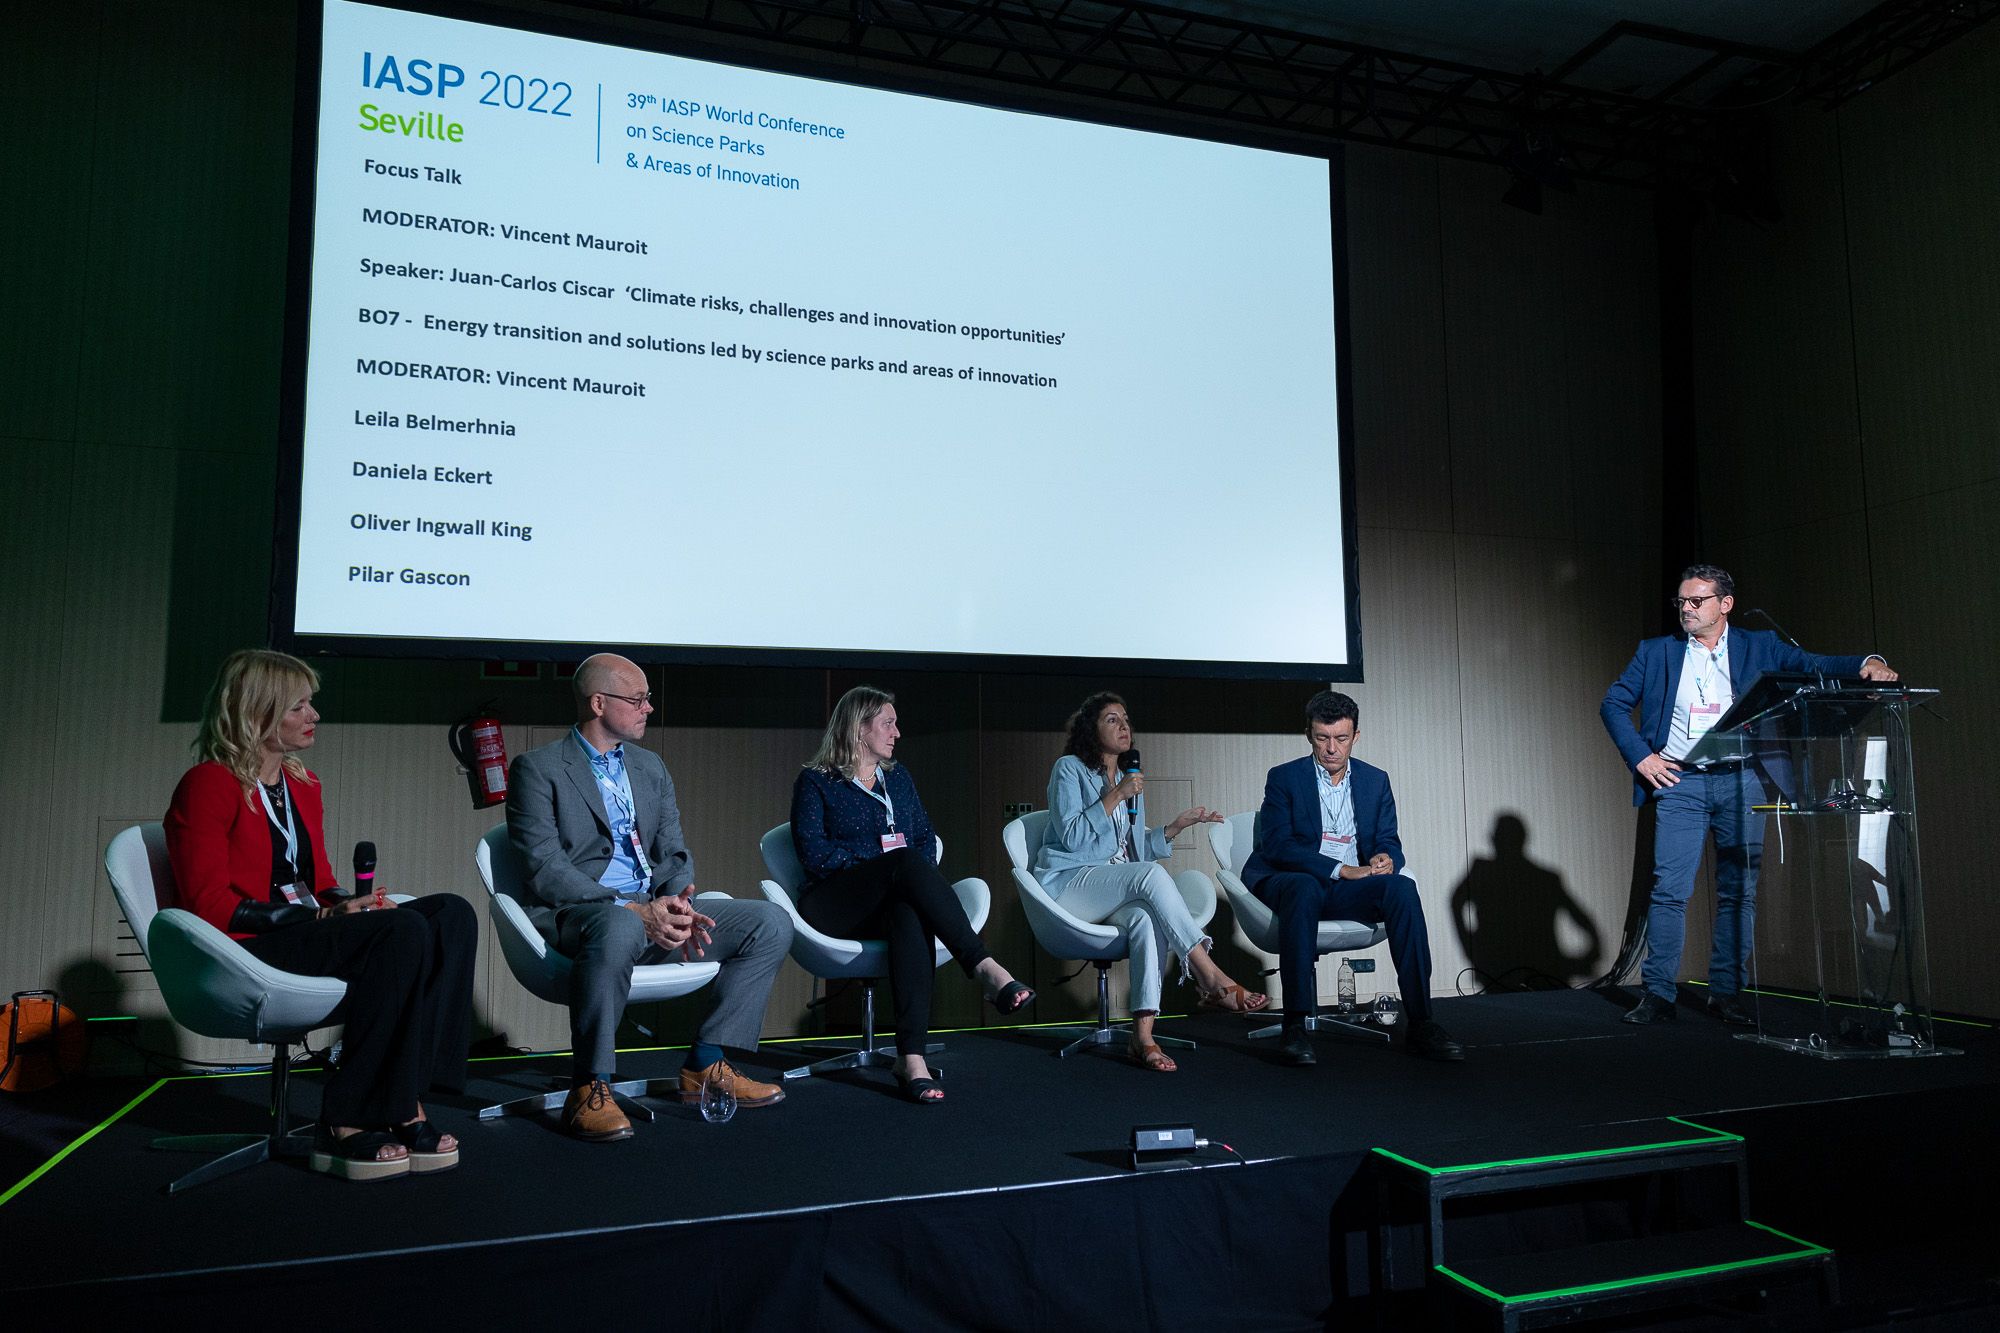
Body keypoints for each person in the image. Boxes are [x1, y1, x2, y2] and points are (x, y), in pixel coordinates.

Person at [164, 649, 476, 1180]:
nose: (314, 716)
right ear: (256, 712)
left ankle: (406, 1097)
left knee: (451, 914)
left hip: (306, 927)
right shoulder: (209, 784)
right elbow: (208, 905)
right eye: (299, 706)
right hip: (246, 944)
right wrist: (320, 920)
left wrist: (344, 904)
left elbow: (318, 880)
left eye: (312, 704)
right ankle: (347, 1116)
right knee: (402, 927)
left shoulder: (301, 785)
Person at [506, 653, 793, 1141]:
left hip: (651, 908)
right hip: (579, 913)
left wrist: (675, 902)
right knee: (619, 924)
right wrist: (632, 911)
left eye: (648, 699)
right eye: (637, 699)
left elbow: (673, 849)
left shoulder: (649, 767)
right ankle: (590, 1086)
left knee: (770, 921)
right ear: (598, 703)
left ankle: (706, 1062)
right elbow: (543, 867)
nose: (648, 708)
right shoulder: (538, 768)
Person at [1600, 564, 1897, 1026]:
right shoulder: (1656, 652)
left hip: (1743, 780)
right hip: (1681, 783)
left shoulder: (1758, 646)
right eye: (1681, 601)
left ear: (1725, 604)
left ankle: (1726, 992)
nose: (1686, 609)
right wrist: (1641, 757)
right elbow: (1614, 703)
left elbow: (1814, 664)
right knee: (1669, 891)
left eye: (1697, 601)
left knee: (1739, 892)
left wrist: (1866, 664)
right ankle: (1658, 993)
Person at [790, 686, 1033, 1104]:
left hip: (888, 898)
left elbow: (923, 837)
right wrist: (883, 864)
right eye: (888, 723)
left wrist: (897, 868)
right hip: (834, 902)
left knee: (909, 910)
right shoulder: (816, 781)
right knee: (901, 864)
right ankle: (982, 965)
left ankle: (911, 1059)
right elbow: (815, 855)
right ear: (859, 728)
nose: (897, 732)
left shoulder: (898, 778)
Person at [1032, 693, 1267, 1072]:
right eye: (1112, 720)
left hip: (1110, 884)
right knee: (1152, 878)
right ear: (1090, 730)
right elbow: (1072, 837)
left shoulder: (1127, 779)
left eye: (1126, 719)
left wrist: (1174, 827)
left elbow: (1133, 852)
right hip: (1070, 883)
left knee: (1145, 917)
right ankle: (1209, 976)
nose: (1124, 726)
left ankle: (1142, 1037)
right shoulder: (1069, 769)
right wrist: (1116, 795)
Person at [1242, 690, 1462, 1064]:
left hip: (1347, 889)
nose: (1331, 748)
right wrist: (1340, 868)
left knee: (1403, 890)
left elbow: (1389, 840)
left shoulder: (1375, 781)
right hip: (1295, 879)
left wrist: (1385, 859)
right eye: (1322, 738)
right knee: (1303, 886)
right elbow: (1278, 845)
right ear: (1309, 735)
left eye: (1341, 739)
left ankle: (1422, 1022)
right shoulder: (1284, 778)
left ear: (1355, 737)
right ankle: (1294, 1025)